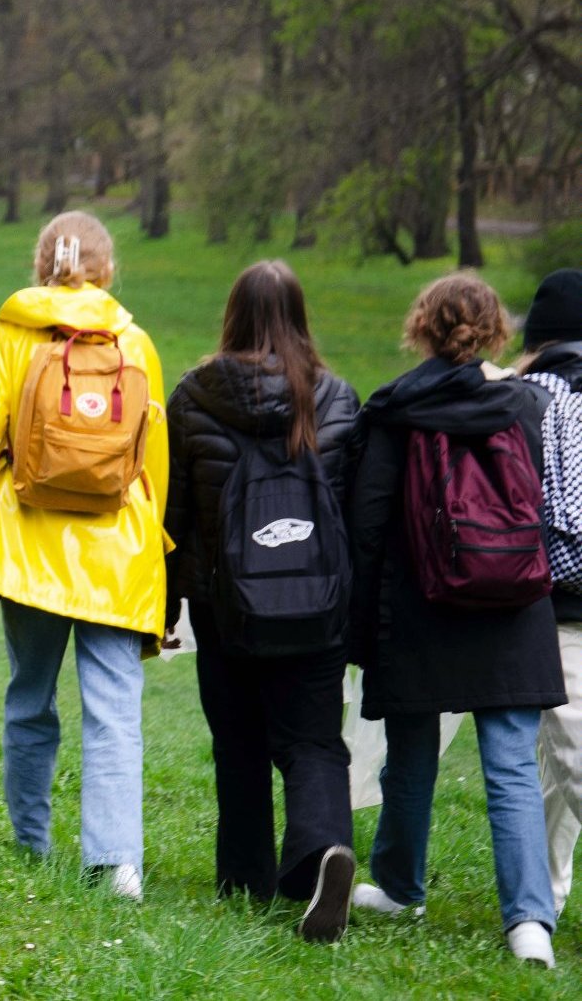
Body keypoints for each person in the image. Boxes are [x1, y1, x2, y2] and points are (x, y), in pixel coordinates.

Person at [0, 210, 167, 900]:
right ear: (106, 270)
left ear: (40, 265)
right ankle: (116, 866)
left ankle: (30, 842)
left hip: (29, 549)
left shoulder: (10, 331)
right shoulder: (133, 341)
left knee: (30, 699)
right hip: (119, 555)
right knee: (114, 709)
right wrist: (155, 547)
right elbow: (154, 460)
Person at [344, 273, 564, 968]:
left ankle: (402, 887)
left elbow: (369, 523)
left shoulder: (393, 410)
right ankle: (529, 921)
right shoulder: (524, 406)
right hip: (514, 605)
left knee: (410, 757)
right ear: (497, 330)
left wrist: (358, 624)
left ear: (421, 326)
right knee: (510, 766)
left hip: (421, 604)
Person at [163, 260, 360, 940]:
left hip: (226, 608)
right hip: (316, 606)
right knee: (312, 741)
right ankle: (322, 851)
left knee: (238, 742)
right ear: (301, 316)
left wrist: (165, 608)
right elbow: (352, 516)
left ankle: (243, 879)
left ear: (232, 314)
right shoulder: (336, 398)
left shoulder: (192, 397)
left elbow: (175, 514)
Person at [516, 268, 582, 918]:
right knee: (556, 767)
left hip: (563, 603)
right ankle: (546, 894)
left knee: (572, 749)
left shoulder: (533, 399)